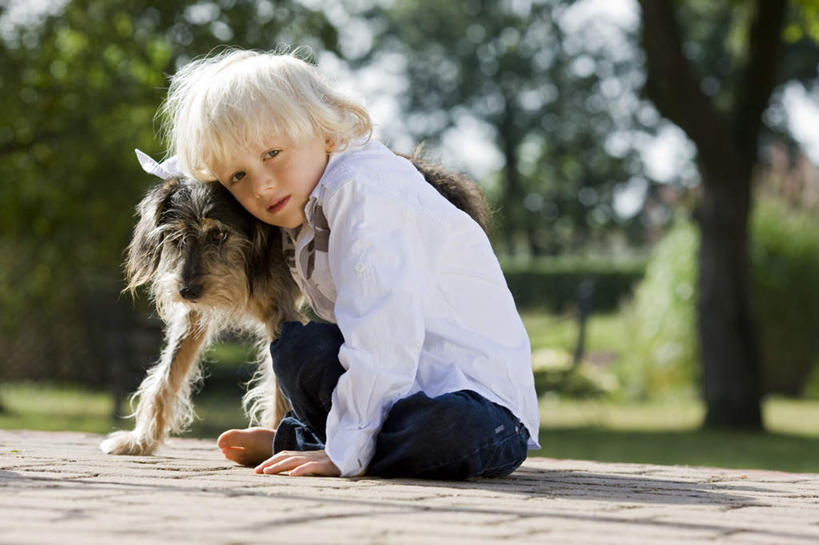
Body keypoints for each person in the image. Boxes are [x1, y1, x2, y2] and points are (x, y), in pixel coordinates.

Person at [161, 48, 540, 479]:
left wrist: (346, 453)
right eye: (237, 177)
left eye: (271, 154)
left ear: (326, 133)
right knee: (297, 348)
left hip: (479, 405)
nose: (262, 185)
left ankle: (317, 440)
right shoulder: (304, 204)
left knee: (450, 429)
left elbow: (383, 333)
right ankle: (335, 436)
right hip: (398, 392)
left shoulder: (364, 195)